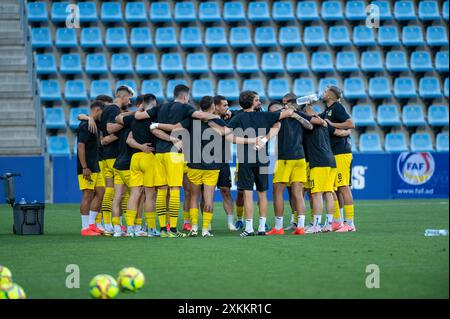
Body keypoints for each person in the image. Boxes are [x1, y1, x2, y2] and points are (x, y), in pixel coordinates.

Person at [135, 85, 219, 237]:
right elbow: (201, 116)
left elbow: (140, 118)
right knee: (174, 190)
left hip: (159, 154)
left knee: (161, 191)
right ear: (185, 96)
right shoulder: (186, 108)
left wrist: (146, 116)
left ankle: (162, 230)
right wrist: (216, 117)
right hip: (174, 154)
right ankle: (173, 229)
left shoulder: (160, 107)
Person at [227, 91, 294, 237]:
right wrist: (264, 139)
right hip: (262, 159)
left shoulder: (238, 117)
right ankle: (262, 228)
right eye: (257, 100)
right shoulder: (265, 116)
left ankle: (249, 228)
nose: (259, 102)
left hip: (245, 159)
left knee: (248, 194)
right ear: (251, 102)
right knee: (263, 194)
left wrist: (249, 141)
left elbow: (228, 136)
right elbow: (285, 116)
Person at [266, 101, 316, 235]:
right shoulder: (297, 115)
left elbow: (274, 129)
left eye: (272, 111)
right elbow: (310, 126)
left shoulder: (278, 117)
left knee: (277, 192)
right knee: (298, 194)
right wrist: (297, 116)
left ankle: (278, 227)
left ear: (277, 109)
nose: (272, 114)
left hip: (285, 158)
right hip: (300, 157)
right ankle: (300, 227)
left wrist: (264, 140)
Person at [303, 103, 352, 234]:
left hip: (318, 162)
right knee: (329, 193)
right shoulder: (325, 124)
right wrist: (348, 131)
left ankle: (316, 225)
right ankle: (329, 224)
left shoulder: (308, 124)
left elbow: (306, 120)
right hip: (331, 160)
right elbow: (340, 133)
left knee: (317, 194)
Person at [319, 86, 356, 232]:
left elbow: (351, 124)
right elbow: (317, 117)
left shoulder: (337, 107)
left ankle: (350, 223)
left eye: (325, 91)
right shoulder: (328, 110)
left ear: (331, 95)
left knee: (343, 186)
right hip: (333, 153)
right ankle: (337, 221)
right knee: (335, 188)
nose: (323, 92)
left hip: (341, 153)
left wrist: (333, 124)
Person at [122, 94, 159, 237]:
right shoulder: (155, 117)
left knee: (134, 194)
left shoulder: (134, 118)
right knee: (149, 196)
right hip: (149, 157)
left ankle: (130, 228)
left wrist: (139, 146)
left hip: (135, 157)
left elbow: (128, 139)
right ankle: (151, 228)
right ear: (153, 104)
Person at [77, 101, 105, 236]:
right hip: (87, 167)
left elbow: (79, 115)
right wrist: (84, 167)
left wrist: (88, 117)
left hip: (95, 165)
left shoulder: (94, 123)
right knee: (87, 194)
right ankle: (84, 228)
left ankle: (92, 224)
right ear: (97, 110)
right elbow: (80, 146)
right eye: (102, 113)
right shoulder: (85, 125)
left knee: (101, 193)